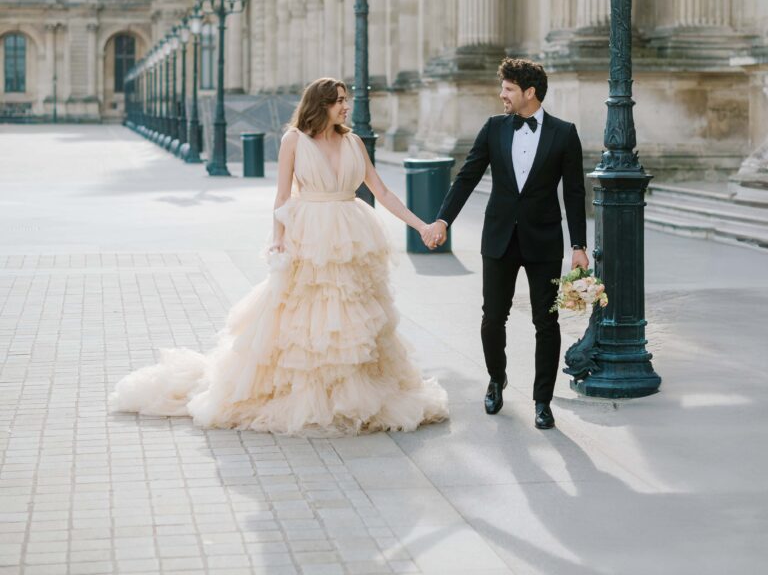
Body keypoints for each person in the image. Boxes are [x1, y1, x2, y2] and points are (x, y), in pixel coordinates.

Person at [109, 77, 448, 435]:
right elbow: (283, 197)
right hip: (310, 236)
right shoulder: (294, 140)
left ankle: (350, 392)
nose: (345, 106)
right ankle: (310, 393)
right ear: (319, 105)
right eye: (337, 101)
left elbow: (381, 190)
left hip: (351, 234)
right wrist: (278, 241)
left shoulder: (353, 141)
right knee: (305, 316)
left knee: (353, 314)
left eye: (345, 100)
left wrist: (420, 224)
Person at [423, 58, 587, 430]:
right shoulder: (494, 128)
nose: (502, 95)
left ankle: (542, 400)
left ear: (530, 93)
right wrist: (443, 219)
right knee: (493, 317)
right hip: (498, 238)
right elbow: (467, 176)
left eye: (509, 89)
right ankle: (496, 379)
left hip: (544, 240)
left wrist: (579, 244)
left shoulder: (564, 134)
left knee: (546, 322)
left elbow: (575, 193)